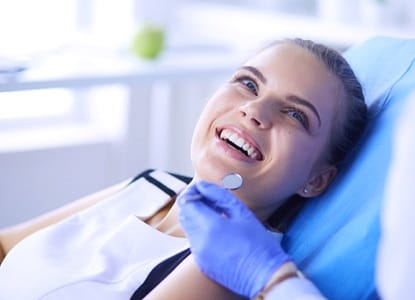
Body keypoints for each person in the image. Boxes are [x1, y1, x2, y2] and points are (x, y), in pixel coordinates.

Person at [0, 37, 367, 299]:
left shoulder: (224, 267)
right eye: (248, 83)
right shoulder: (150, 184)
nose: (254, 111)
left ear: (316, 180)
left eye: (294, 114)